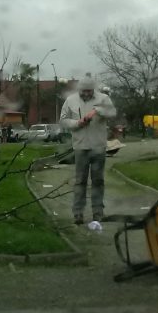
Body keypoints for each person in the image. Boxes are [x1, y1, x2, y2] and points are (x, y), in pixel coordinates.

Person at [60, 73, 116, 225]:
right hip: (80, 146)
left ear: (93, 90)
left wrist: (97, 110)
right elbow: (63, 120)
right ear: (79, 90)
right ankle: (78, 213)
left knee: (98, 181)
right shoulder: (70, 100)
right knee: (80, 181)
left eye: (89, 91)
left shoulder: (103, 99)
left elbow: (112, 112)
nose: (86, 93)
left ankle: (98, 212)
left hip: (98, 147)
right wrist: (78, 123)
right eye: (83, 91)